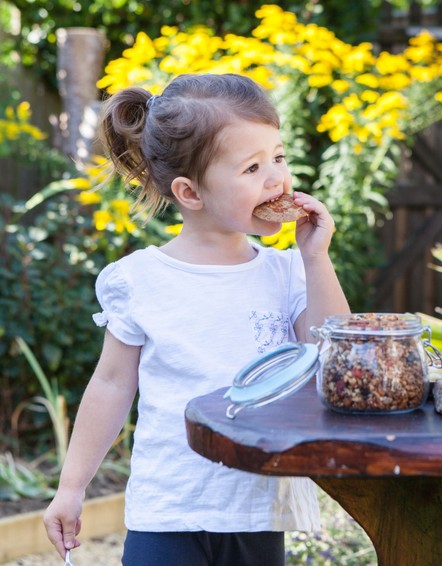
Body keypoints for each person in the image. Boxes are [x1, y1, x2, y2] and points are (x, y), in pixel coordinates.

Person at [42, 73, 350, 565]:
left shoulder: (289, 272)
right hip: (168, 509)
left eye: (279, 157)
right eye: (252, 167)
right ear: (190, 192)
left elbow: (335, 354)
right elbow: (111, 385)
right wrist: (71, 488)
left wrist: (316, 259)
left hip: (256, 508)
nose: (276, 179)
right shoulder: (140, 279)